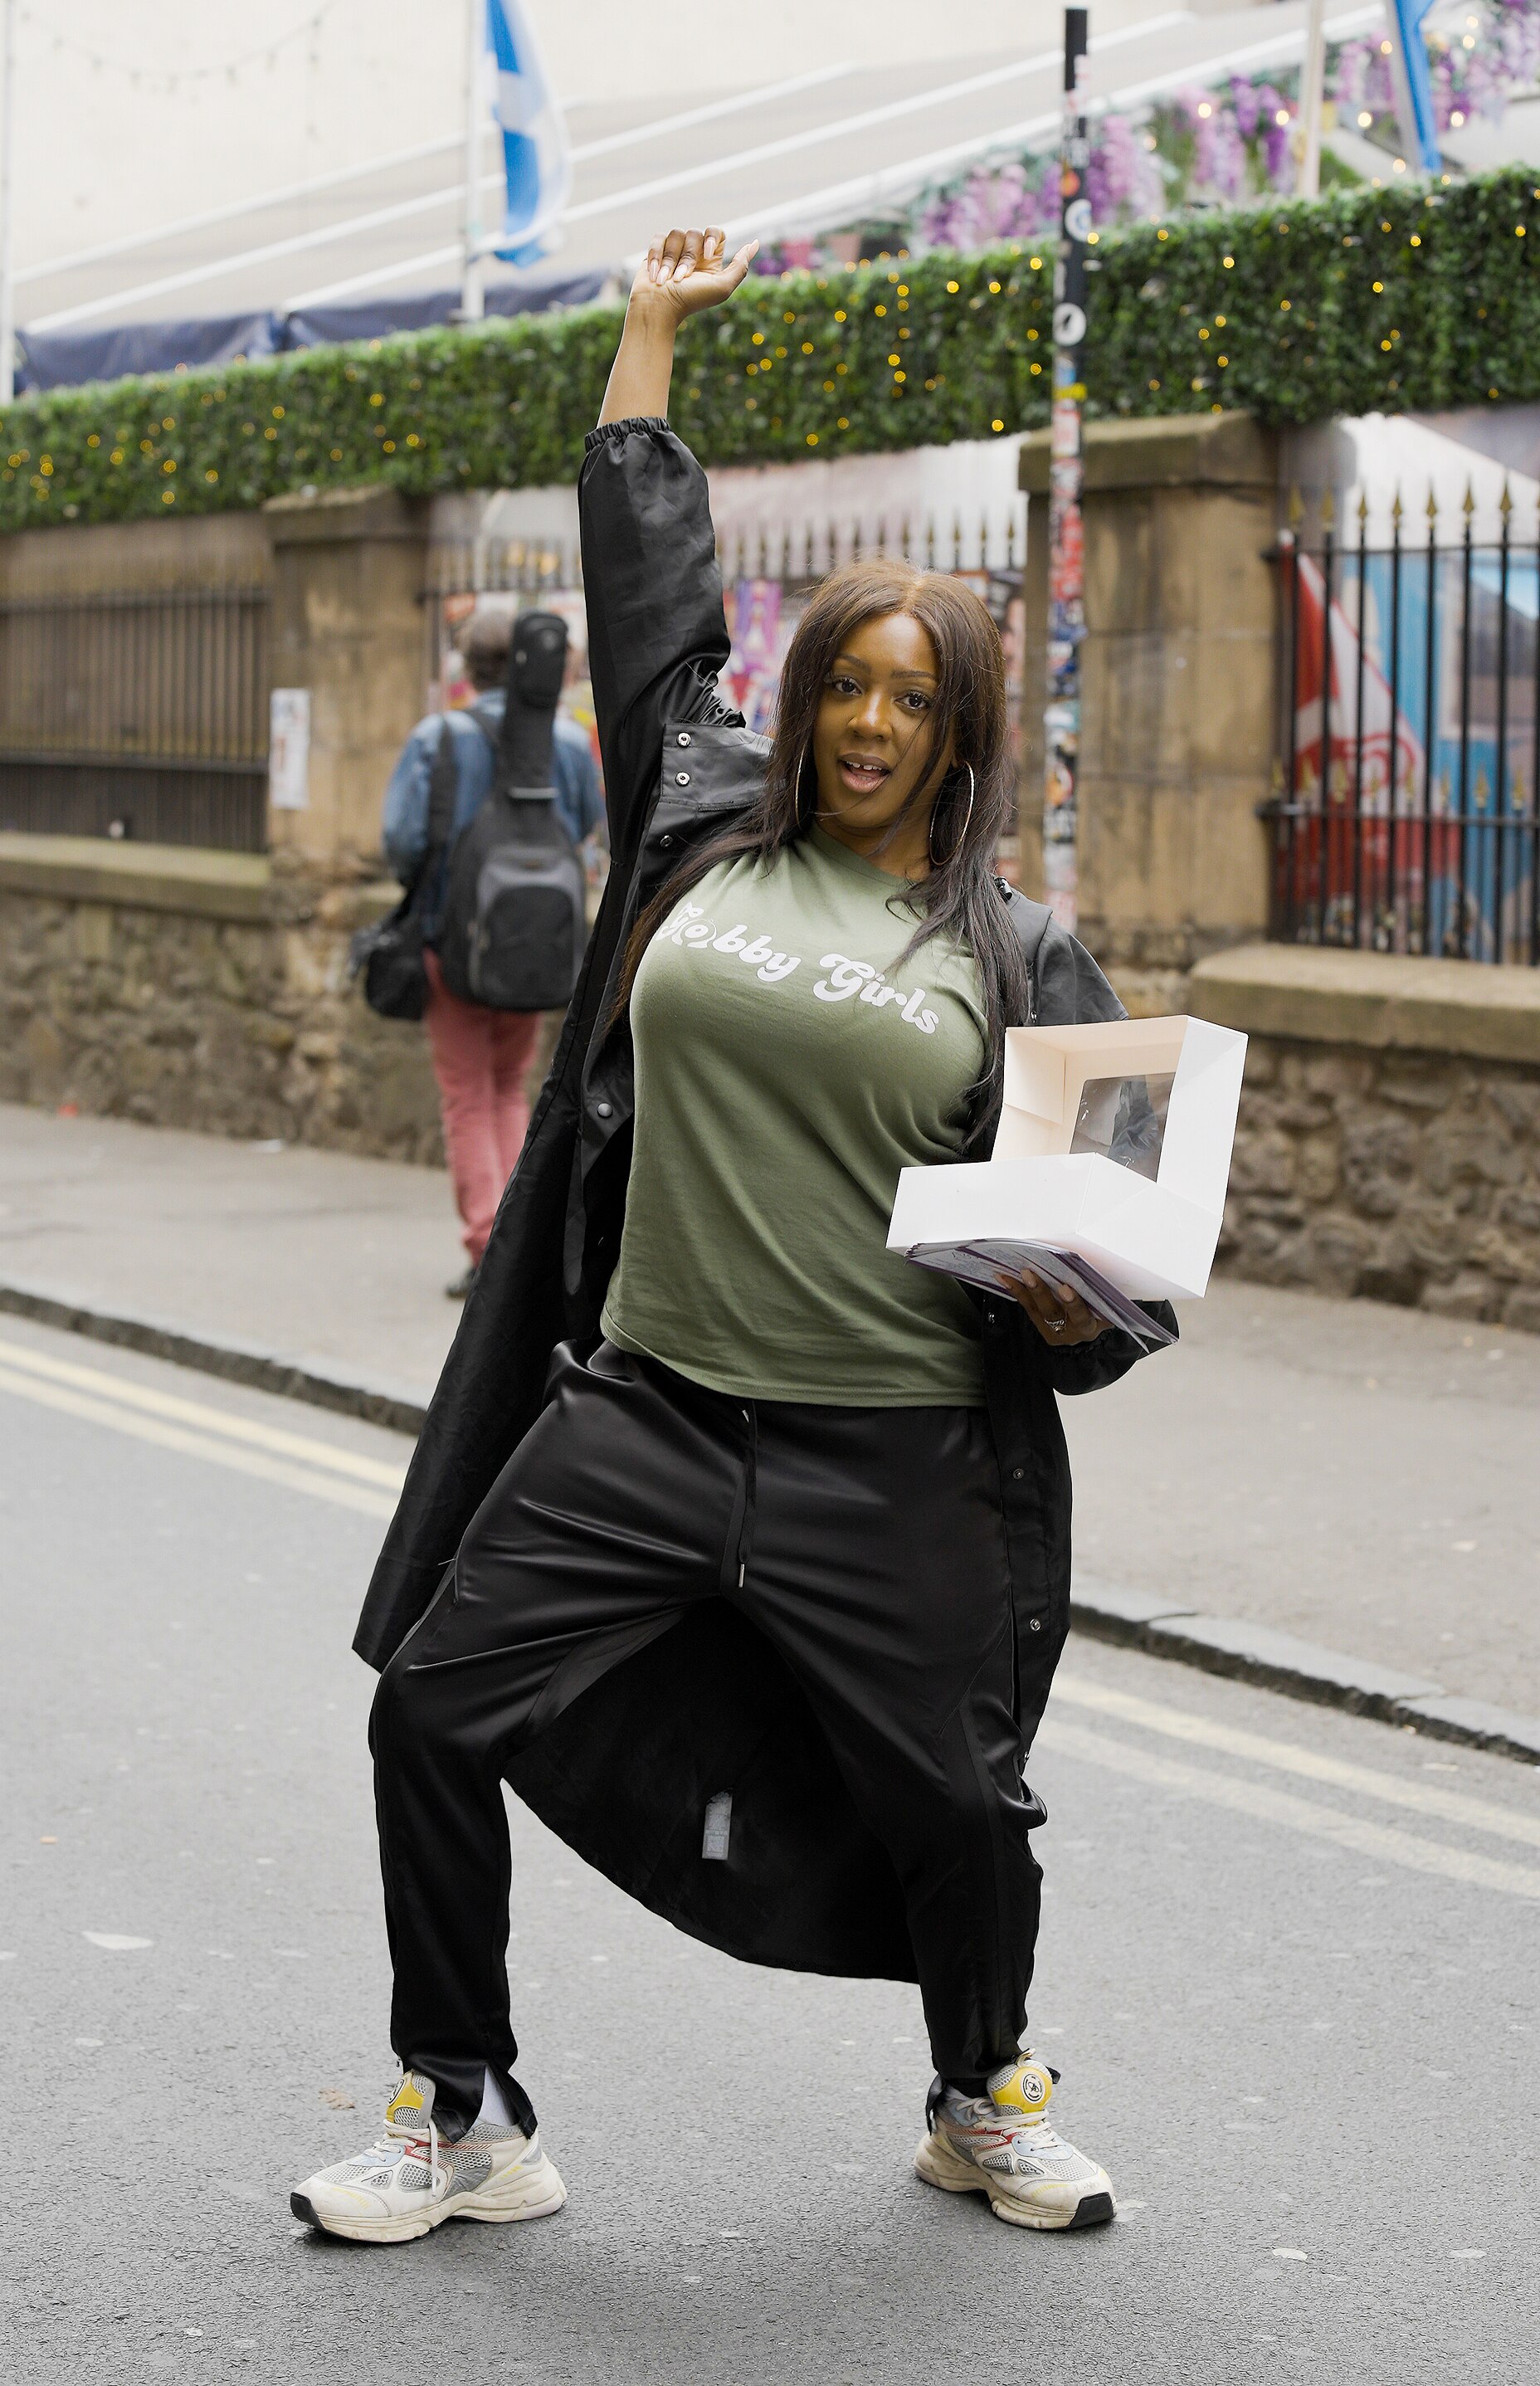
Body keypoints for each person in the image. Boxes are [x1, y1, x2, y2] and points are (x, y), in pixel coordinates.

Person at [293, 226, 1175, 2247]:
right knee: (427, 1703)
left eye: (912, 698)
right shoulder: (699, 821)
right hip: (650, 1411)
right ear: (803, 703)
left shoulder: (1016, 950)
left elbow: (1118, 1257)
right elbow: (647, 593)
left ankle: (977, 2091)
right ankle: (463, 2104)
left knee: (963, 1802)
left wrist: (1072, 1296)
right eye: (846, 685)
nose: (870, 721)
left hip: (891, 1447)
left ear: (959, 735)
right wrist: (650, 337)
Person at [381, 604, 605, 1298]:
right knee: (511, 1088)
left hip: (453, 941)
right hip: (539, 943)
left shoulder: (438, 737)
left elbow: (402, 841)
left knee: (466, 1096)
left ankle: (487, 1248)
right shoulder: (567, 742)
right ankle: (517, 1241)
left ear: (470, 666)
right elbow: (592, 823)